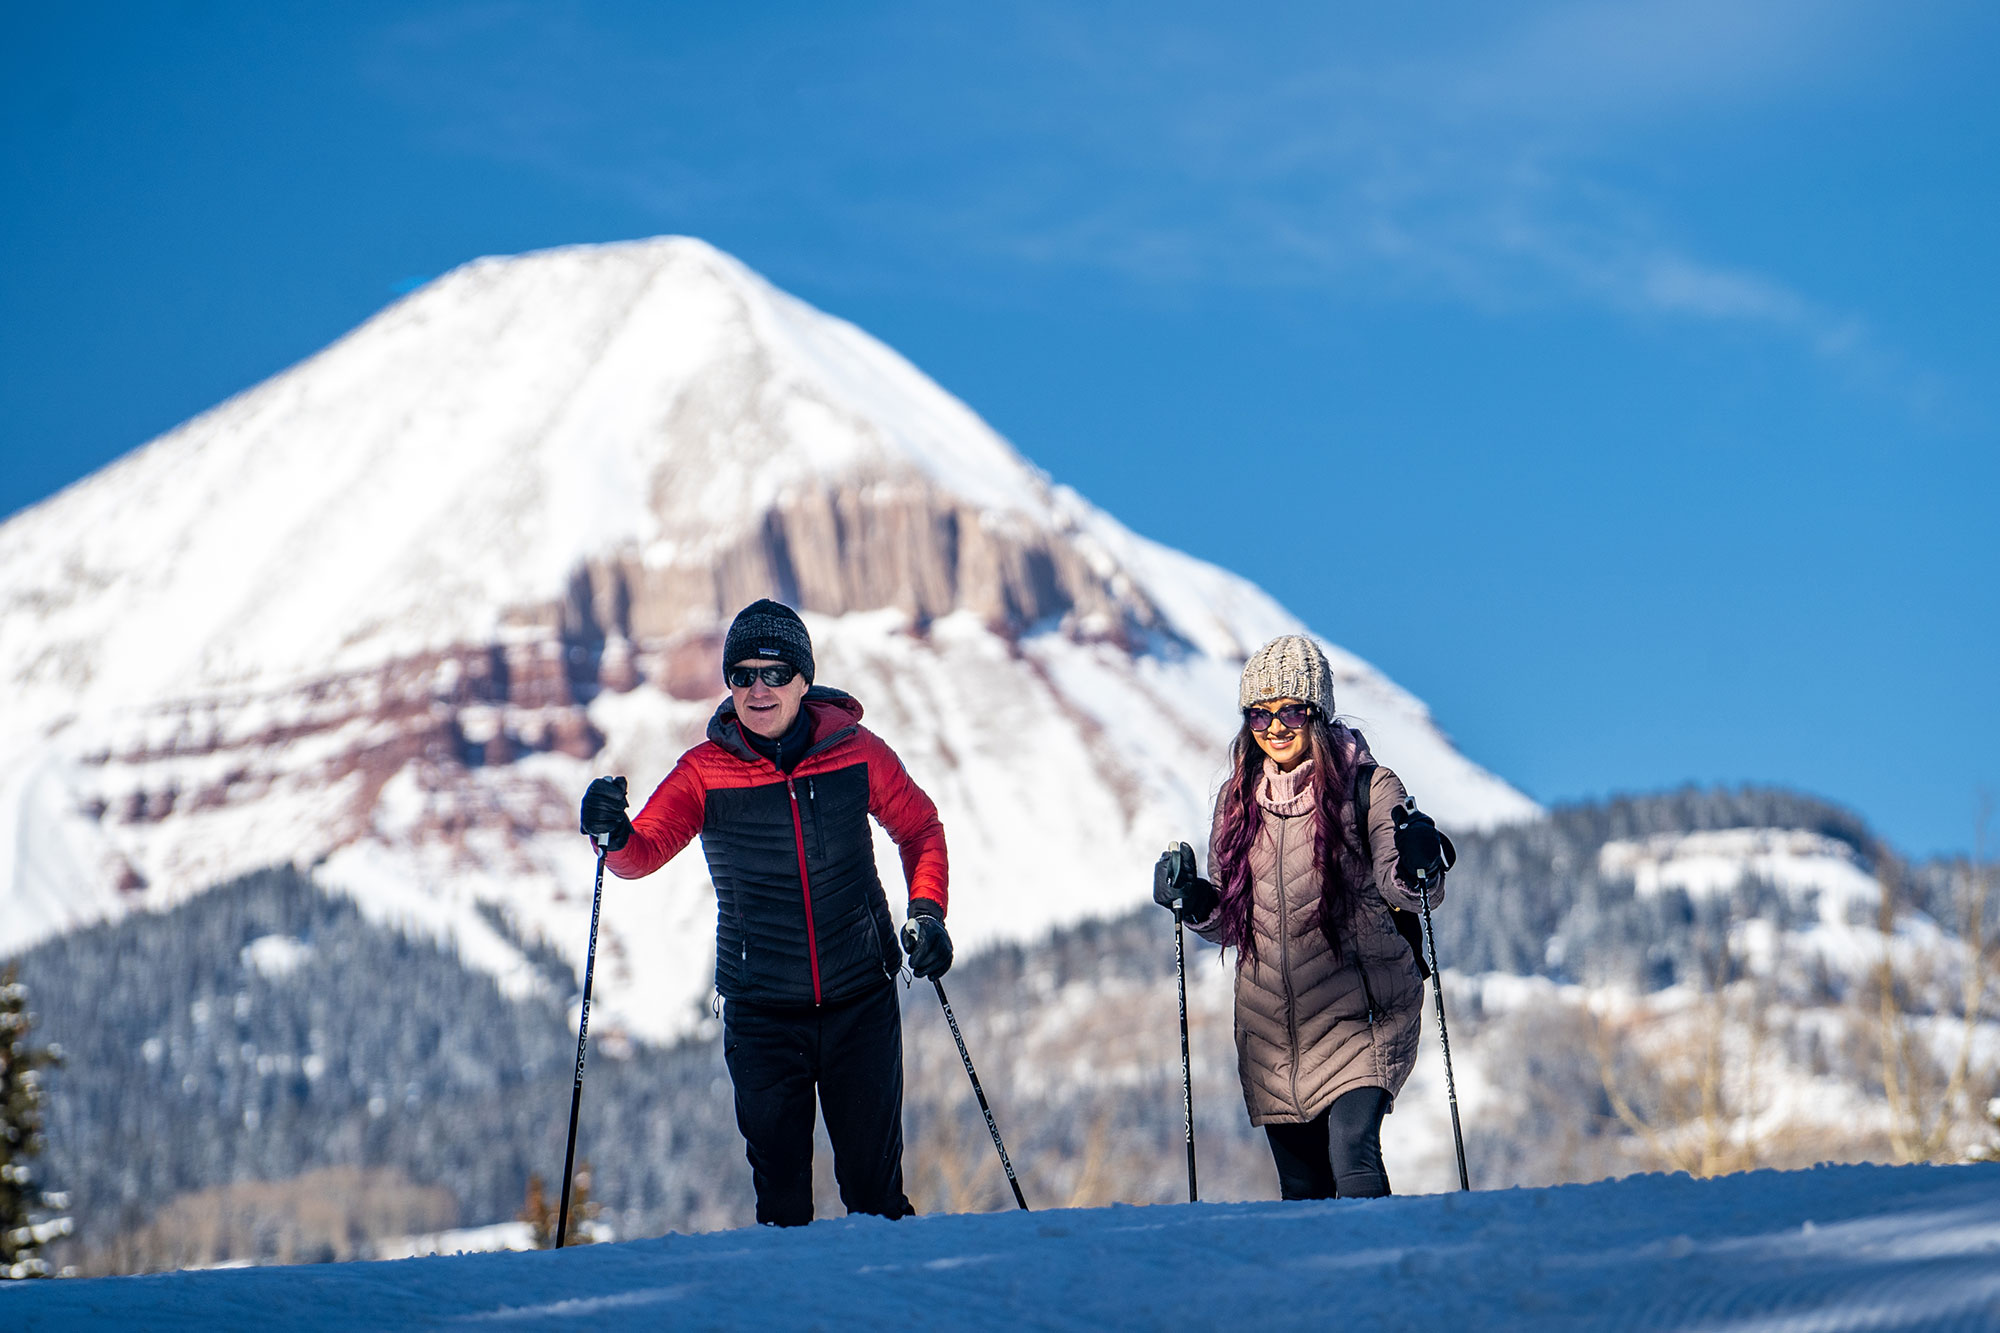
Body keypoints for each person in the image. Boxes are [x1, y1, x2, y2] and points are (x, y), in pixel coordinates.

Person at [578, 598, 952, 1227]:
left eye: (775, 673)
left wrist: (928, 912)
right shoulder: (703, 773)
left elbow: (921, 829)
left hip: (861, 999)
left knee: (876, 1196)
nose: (758, 688)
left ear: (804, 680)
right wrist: (609, 833)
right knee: (781, 1204)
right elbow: (639, 854)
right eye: (743, 673)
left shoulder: (856, 750)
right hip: (761, 1013)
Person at [1152, 634, 1454, 1200]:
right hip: (1272, 1031)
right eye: (1259, 714)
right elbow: (1229, 915)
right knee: (1302, 1188)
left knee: (1352, 1152)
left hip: (1364, 1009)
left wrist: (1420, 862)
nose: (1275, 726)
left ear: (1318, 712)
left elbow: (1406, 888)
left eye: (1291, 709)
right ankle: (1319, 1290)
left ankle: (1379, 1274)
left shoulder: (1369, 786)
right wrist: (1192, 899)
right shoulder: (1236, 799)